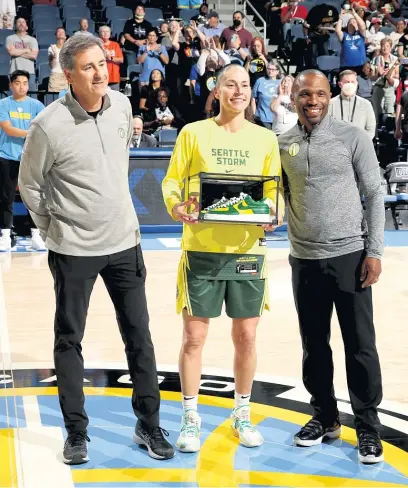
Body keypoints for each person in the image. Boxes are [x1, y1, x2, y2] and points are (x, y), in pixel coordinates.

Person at [18, 34, 174, 465]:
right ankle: (76, 432)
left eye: (102, 63)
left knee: (139, 338)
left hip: (125, 242)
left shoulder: (122, 106)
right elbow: (29, 184)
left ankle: (148, 422)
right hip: (74, 249)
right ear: (68, 74)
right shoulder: (47, 125)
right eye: (88, 67)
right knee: (69, 340)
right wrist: (52, 226)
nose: (99, 72)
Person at [161, 63, 284, 454]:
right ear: (216, 89)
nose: (239, 91)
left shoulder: (265, 139)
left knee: (246, 336)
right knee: (194, 338)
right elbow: (171, 181)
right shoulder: (193, 133)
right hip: (201, 249)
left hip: (248, 252)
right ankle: (190, 417)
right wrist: (176, 206)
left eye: (245, 85)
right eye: (231, 84)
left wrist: (275, 214)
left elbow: (272, 193)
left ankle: (242, 412)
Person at [279, 69, 384, 464]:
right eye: (306, 94)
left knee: (359, 346)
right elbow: (276, 197)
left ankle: (368, 427)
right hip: (303, 259)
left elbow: (374, 193)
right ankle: (324, 416)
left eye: (320, 93)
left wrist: (374, 251)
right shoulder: (282, 143)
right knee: (314, 345)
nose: (313, 101)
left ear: (331, 95)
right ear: (294, 97)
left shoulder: (352, 137)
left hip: (350, 257)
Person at [0, 70, 45, 252]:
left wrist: (33, 134)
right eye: (18, 83)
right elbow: (8, 130)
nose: (22, 86)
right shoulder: (3, 104)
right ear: (11, 85)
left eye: (25, 83)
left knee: (32, 198)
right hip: (7, 156)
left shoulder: (37, 105)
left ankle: (36, 236)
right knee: (6, 197)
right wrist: (30, 132)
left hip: (30, 157)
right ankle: (4, 236)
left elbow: (43, 128)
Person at [329, 69, 376, 139]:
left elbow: (371, 130)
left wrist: (362, 144)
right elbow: (326, 128)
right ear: (340, 84)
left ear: (357, 83)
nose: (350, 84)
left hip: (360, 146)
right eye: (347, 82)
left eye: (352, 82)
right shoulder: (331, 103)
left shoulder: (366, 104)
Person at [6, 17, 38, 92]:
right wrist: (27, 50)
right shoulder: (10, 39)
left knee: (31, 98)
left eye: (23, 22)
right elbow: (11, 52)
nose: (21, 24)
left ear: (26, 27)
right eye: (19, 22)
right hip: (14, 72)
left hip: (29, 73)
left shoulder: (32, 40)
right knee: (14, 98)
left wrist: (17, 52)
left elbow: (34, 56)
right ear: (15, 26)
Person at [335, 8, 367, 74]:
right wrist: (340, 18)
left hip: (360, 66)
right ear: (347, 25)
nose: (353, 22)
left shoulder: (360, 34)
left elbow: (363, 25)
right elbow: (337, 30)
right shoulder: (344, 35)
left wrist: (354, 14)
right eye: (351, 21)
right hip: (346, 67)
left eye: (355, 21)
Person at [251, 61, 280, 129]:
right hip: (262, 117)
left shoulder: (281, 82)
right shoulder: (260, 81)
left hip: (277, 118)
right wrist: (253, 114)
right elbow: (253, 99)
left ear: (277, 71)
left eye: (273, 70)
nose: (270, 71)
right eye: (268, 69)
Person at [99, 25, 123, 91]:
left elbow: (121, 60)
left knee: (115, 99)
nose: (105, 33)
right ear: (99, 33)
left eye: (107, 31)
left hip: (114, 78)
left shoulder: (115, 45)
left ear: (110, 33)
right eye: (103, 31)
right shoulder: (97, 45)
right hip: (101, 78)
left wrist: (110, 58)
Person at [48, 27, 68, 93]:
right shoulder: (51, 48)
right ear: (56, 35)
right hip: (55, 77)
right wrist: (54, 56)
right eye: (58, 32)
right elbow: (52, 66)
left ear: (65, 36)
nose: (60, 33)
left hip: (65, 78)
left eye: (62, 32)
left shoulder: (69, 49)